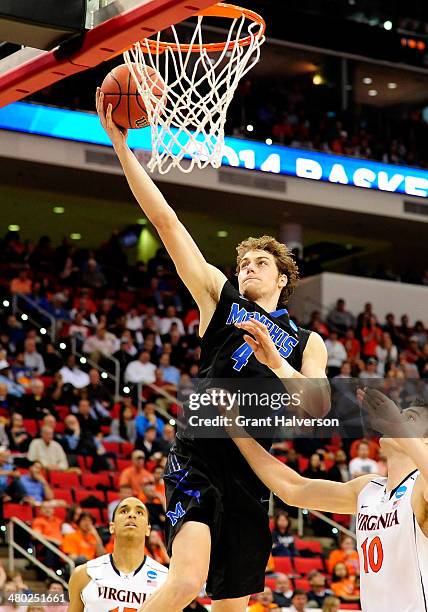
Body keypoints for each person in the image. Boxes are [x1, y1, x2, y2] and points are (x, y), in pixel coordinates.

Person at [97, 89, 328, 612]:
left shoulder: (308, 341)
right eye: (244, 262)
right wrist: (121, 148)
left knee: (232, 607)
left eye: (259, 264)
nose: (247, 267)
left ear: (282, 277)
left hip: (253, 466)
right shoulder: (219, 298)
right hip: (198, 454)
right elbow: (168, 225)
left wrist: (275, 361)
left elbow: (318, 406)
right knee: (184, 580)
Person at [222, 385, 428, 611]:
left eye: (410, 417)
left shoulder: (420, 488)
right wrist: (236, 430)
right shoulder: (367, 489)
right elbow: (293, 488)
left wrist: (395, 423)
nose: (396, 420)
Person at [67, 497, 168, 611]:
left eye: (139, 512)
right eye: (124, 511)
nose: (132, 515)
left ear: (148, 529)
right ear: (111, 527)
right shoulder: (84, 574)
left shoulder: (166, 580)